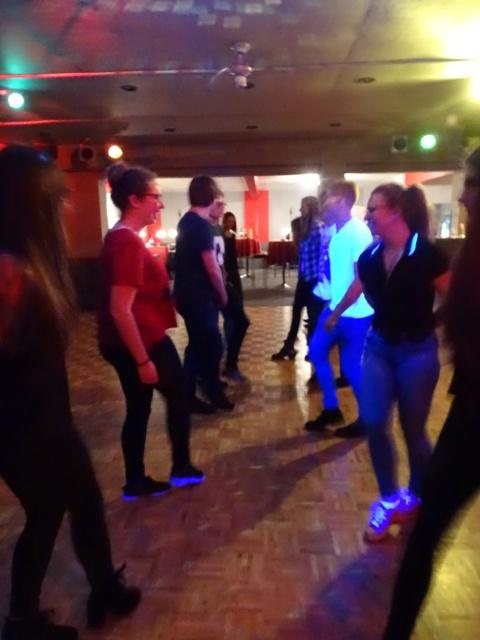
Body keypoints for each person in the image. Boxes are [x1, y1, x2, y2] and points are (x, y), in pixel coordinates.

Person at [0, 145, 140, 640]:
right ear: (30, 201)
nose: (66, 204)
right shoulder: (10, 270)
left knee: (83, 501)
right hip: (22, 424)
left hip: (48, 418)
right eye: (56, 196)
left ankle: (103, 587)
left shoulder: (29, 264)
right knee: (46, 513)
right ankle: (20, 623)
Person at [381, 147, 480, 639]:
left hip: (474, 412)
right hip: (470, 405)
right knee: (425, 533)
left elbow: (450, 299)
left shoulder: (435, 254)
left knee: (426, 534)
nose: (461, 196)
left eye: (470, 184)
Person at [98, 162, 204, 499]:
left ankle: (136, 480)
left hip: (132, 339)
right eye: (155, 197)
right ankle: (180, 469)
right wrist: (143, 360)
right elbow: (120, 308)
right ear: (134, 200)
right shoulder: (126, 242)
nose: (160, 203)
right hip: (141, 340)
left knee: (140, 407)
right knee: (177, 395)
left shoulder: (123, 237)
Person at [356, 184, 449, 542]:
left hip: (417, 352)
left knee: (413, 430)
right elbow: (370, 296)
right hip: (378, 347)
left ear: (395, 211)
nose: (367, 215)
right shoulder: (369, 257)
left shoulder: (427, 254)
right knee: (374, 421)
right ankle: (388, 498)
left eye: (373, 208)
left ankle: (419, 494)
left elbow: (451, 298)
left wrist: (430, 325)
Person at [305, 181, 373, 437]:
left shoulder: (358, 233)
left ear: (343, 200)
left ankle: (367, 418)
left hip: (355, 314)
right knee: (316, 352)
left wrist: (334, 314)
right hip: (337, 308)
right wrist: (330, 303)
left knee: (351, 366)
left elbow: (360, 281)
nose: (323, 203)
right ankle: (332, 408)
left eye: (328, 198)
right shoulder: (336, 230)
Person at [174, 176, 233, 412]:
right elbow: (211, 266)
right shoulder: (200, 226)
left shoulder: (186, 221)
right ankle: (202, 392)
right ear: (209, 195)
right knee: (211, 346)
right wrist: (223, 293)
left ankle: (198, 390)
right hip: (199, 297)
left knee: (200, 345)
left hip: (187, 294)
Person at [271, 196, 328, 360]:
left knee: (313, 316)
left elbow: (323, 254)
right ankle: (289, 346)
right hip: (304, 278)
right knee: (296, 313)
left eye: (303, 206)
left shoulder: (318, 228)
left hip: (314, 279)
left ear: (311, 207)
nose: (300, 209)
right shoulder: (306, 228)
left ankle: (313, 350)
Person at [210, 205, 250, 382]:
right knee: (206, 334)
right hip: (217, 282)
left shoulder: (219, 230)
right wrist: (222, 285)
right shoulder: (206, 229)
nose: (222, 207)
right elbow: (214, 262)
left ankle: (226, 367)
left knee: (239, 320)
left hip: (226, 278)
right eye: (218, 203)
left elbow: (223, 259)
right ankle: (210, 375)